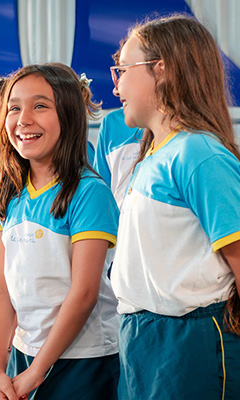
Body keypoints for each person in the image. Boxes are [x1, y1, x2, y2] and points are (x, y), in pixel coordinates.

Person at [109, 14, 240, 399]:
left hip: (189, 341)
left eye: (123, 69)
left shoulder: (197, 153)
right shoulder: (152, 155)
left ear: (161, 70)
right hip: (144, 338)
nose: (115, 84)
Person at [0, 64, 120, 400]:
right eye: (14, 107)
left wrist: (37, 371)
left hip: (84, 358)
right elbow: (0, 285)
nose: (24, 119)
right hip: (26, 352)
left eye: (40, 106)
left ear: (70, 116)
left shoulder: (88, 191)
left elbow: (84, 293)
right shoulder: (6, 191)